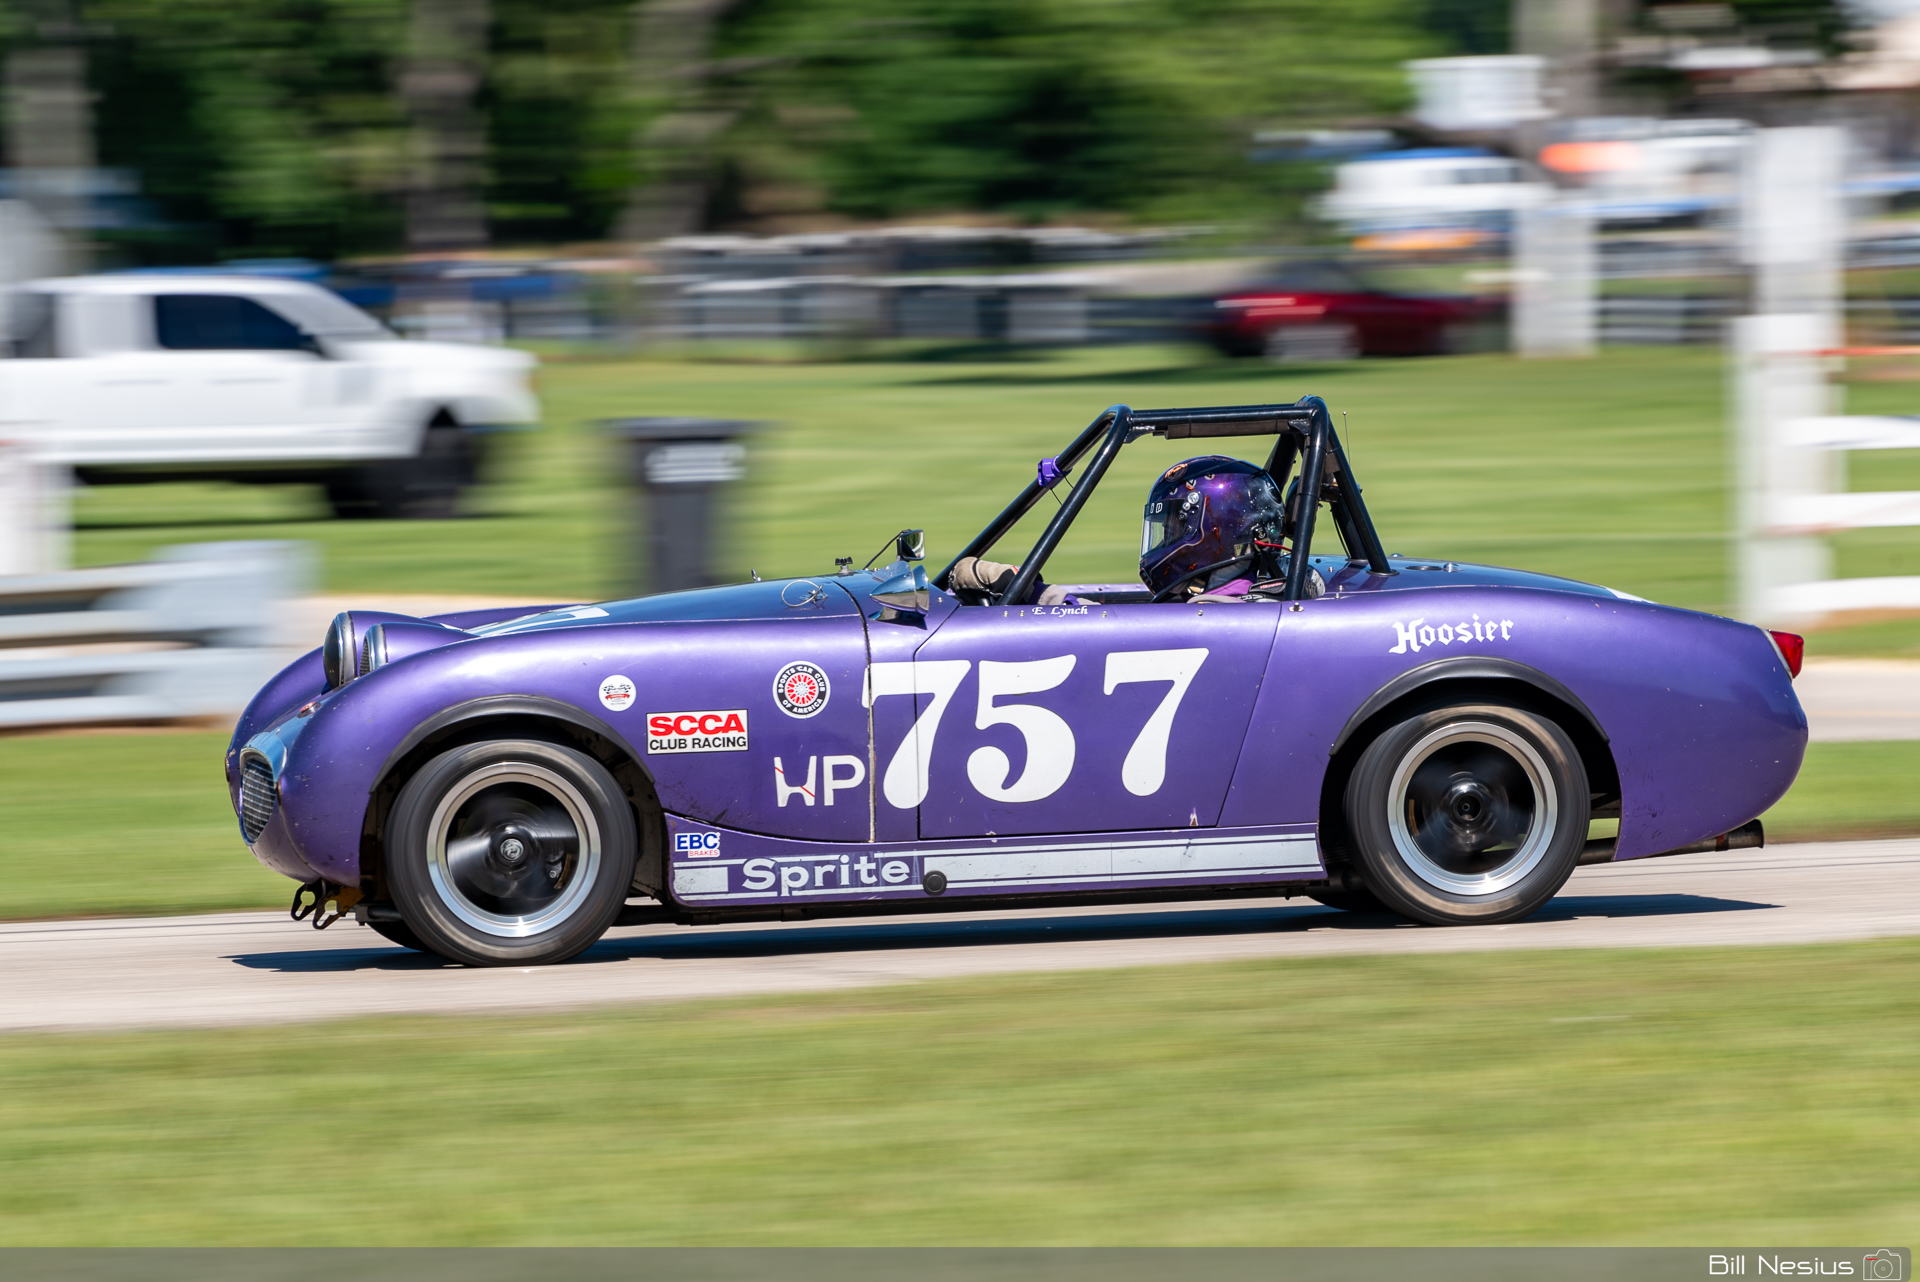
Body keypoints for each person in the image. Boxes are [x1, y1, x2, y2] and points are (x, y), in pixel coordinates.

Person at [1139, 456, 1323, 603]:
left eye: (1170, 532)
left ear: (1215, 529)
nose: (1164, 542)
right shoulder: (1210, 594)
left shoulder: (1212, 610)